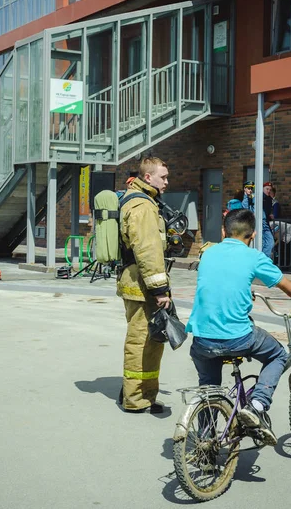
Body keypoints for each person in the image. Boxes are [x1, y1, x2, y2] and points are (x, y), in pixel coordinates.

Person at [186, 208, 291, 445]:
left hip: (202, 338)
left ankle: (205, 444)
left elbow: (220, 285)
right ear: (253, 235)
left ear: (224, 231)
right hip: (237, 337)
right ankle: (257, 405)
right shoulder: (254, 257)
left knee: (209, 389)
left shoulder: (208, 253)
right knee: (278, 355)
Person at [117, 157, 170, 413]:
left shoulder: (141, 200)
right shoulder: (142, 205)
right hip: (142, 285)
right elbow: (148, 251)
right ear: (148, 177)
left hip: (138, 282)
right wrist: (160, 290)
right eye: (163, 177)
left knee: (150, 342)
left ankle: (142, 394)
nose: (167, 182)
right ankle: (135, 398)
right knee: (141, 342)